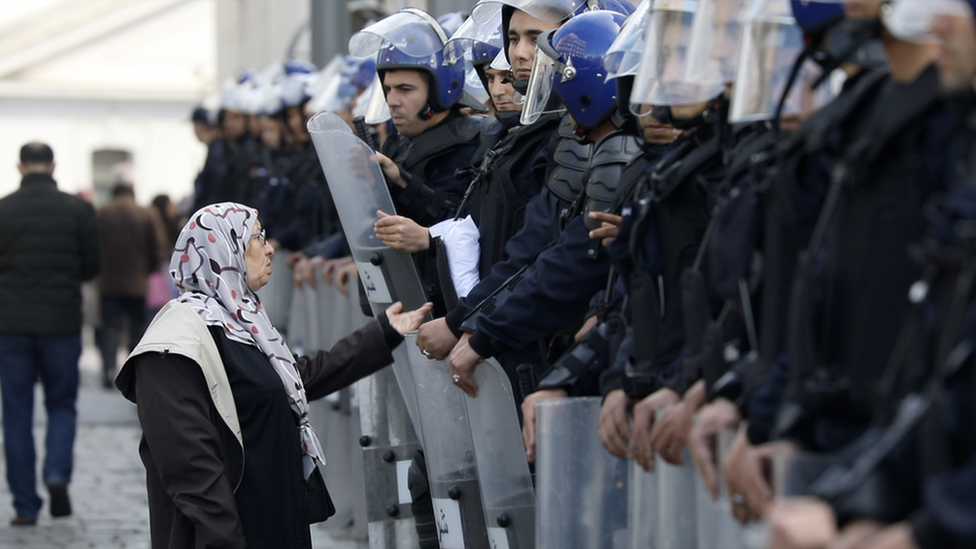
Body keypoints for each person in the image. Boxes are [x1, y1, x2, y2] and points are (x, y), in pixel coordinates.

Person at [115, 202, 431, 549]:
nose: (269, 248)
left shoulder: (239, 320)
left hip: (273, 519)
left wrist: (384, 333)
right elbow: (189, 468)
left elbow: (294, 378)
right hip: (228, 534)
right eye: (257, 237)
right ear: (224, 247)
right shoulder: (175, 343)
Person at [0, 142, 100, 525]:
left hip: (11, 325)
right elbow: (91, 266)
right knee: (61, 404)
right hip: (60, 322)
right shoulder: (78, 209)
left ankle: (25, 504)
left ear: (19, 166)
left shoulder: (3, 210)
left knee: (16, 413)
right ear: (53, 166)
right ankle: (57, 472)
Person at [96, 181, 162, 389]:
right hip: (137, 283)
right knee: (136, 329)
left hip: (108, 283)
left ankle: (108, 368)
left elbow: (93, 246)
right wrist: (150, 269)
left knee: (110, 329)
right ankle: (133, 374)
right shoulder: (146, 214)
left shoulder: (102, 213)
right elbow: (157, 247)